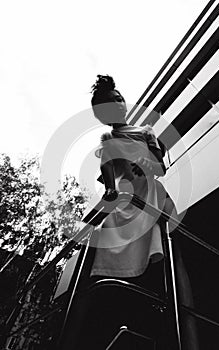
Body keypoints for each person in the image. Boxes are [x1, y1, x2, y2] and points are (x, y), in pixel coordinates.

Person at [89, 74, 167, 291]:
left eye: (119, 98)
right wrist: (110, 189)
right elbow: (108, 168)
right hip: (126, 200)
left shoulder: (145, 132)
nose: (118, 103)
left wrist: (147, 163)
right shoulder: (107, 139)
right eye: (111, 101)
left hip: (148, 195)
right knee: (107, 233)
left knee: (160, 242)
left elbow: (161, 168)